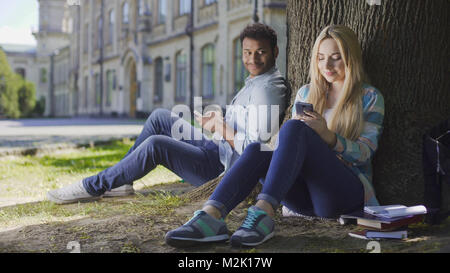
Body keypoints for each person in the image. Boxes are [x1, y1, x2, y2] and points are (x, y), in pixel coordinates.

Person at [165, 25, 385, 248]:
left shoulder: (369, 97)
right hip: (305, 199)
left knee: (294, 128)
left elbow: (365, 154)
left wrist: (328, 136)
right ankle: (210, 216)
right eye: (320, 58)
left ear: (350, 58)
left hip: (343, 193)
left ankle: (262, 214)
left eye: (336, 58)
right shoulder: (307, 93)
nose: (326, 66)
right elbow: (286, 147)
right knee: (257, 149)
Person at [47, 23, 288, 204]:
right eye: (247, 52)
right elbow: (246, 120)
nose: (252, 59)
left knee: (156, 145)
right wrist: (219, 114)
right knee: (160, 117)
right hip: (218, 149)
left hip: (222, 168)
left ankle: (93, 186)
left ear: (275, 52)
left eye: (260, 52)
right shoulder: (257, 81)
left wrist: (221, 126)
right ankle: (121, 179)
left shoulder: (268, 89)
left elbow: (254, 151)